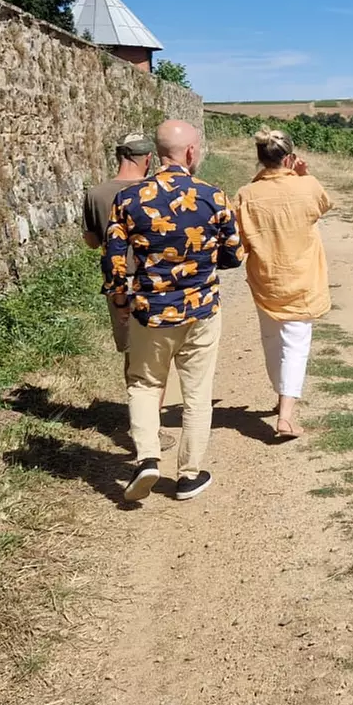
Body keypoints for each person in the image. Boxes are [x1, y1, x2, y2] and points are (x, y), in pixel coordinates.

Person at [102, 120, 241, 502]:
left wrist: (119, 300)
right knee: (197, 393)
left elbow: (113, 258)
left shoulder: (129, 198)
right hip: (201, 310)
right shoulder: (214, 197)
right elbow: (234, 255)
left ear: (157, 154)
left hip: (151, 310)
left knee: (145, 385)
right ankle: (188, 475)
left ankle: (147, 456)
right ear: (192, 153)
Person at [233, 128, 332, 438]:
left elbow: (238, 241)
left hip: (266, 280)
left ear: (260, 159)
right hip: (302, 279)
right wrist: (303, 174)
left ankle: (282, 396)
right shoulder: (308, 186)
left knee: (272, 341)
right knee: (296, 345)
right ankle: (286, 416)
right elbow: (323, 205)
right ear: (289, 157)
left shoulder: (246, 194)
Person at [82, 134, 154, 366]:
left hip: (119, 282)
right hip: (157, 280)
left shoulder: (96, 195)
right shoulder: (157, 190)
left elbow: (92, 242)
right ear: (148, 158)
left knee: (133, 356)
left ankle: (139, 399)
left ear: (118, 156)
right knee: (161, 351)